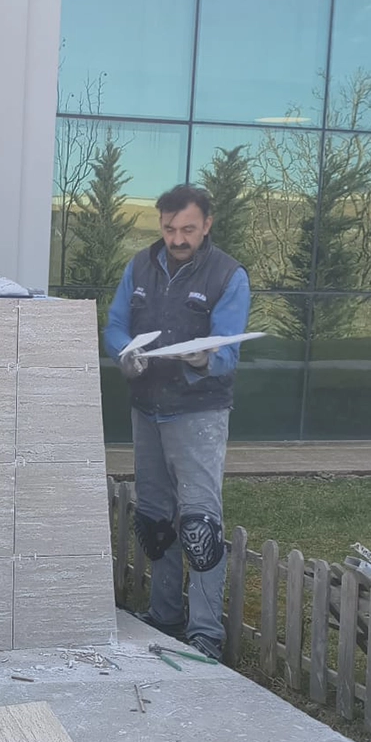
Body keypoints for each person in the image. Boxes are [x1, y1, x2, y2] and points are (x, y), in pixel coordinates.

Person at [103, 184, 252, 661]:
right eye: (169, 229)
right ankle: (164, 615)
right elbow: (115, 325)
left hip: (198, 412)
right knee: (154, 519)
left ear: (207, 224)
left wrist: (205, 358)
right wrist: (123, 353)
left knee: (199, 525)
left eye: (188, 229)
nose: (178, 238)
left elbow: (229, 350)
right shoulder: (139, 265)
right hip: (146, 406)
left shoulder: (228, 275)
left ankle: (205, 635)